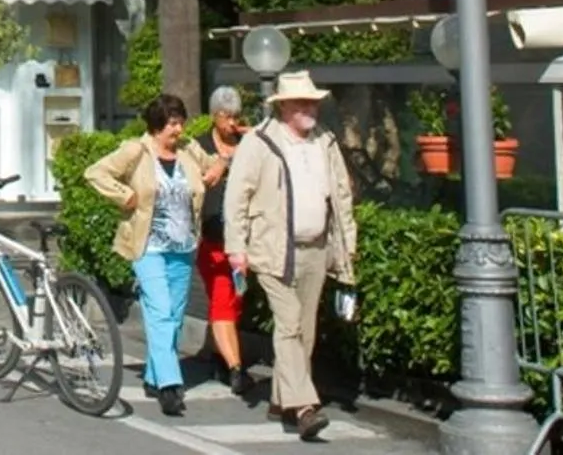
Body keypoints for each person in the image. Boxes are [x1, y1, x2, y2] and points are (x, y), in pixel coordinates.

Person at [225, 71, 358, 443]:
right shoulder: (259, 142)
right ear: (283, 106)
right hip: (272, 248)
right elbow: (237, 196)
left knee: (305, 330)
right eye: (302, 103)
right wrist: (236, 247)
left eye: (313, 102)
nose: (310, 109)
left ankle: (281, 399)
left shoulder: (325, 141)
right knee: (289, 326)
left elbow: (341, 195)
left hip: (316, 248)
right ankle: (303, 408)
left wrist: (347, 244)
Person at [85, 94, 205, 418]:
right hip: (148, 245)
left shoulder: (189, 150)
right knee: (161, 310)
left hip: (183, 246)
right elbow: (95, 173)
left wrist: (220, 165)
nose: (178, 129)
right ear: (156, 125)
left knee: (174, 316)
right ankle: (170, 386)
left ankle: (153, 376)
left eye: (180, 122)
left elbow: (210, 168)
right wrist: (124, 195)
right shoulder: (136, 151)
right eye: (172, 124)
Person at [191, 85, 254, 398]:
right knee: (221, 298)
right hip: (212, 237)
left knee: (235, 300)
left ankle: (218, 355)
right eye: (225, 116)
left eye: (235, 116)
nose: (232, 123)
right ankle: (235, 367)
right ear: (213, 116)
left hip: (244, 239)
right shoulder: (199, 146)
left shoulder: (248, 144)